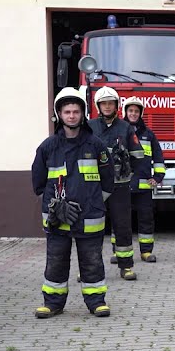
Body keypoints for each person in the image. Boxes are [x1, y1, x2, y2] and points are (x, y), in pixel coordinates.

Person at [31, 88, 114, 319]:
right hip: (57, 218)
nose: (71, 116)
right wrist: (52, 205)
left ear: (83, 114)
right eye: (67, 111)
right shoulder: (48, 147)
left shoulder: (96, 145)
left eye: (76, 111)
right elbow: (38, 183)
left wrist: (95, 204)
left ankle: (97, 302)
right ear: (59, 114)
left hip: (90, 216)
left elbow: (108, 183)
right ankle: (53, 304)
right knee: (56, 262)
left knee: (92, 261)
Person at [88, 86, 151, 280]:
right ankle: (89, 269)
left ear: (116, 105)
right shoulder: (89, 127)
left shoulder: (125, 127)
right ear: (98, 105)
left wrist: (132, 172)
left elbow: (138, 155)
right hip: (94, 187)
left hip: (120, 186)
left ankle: (126, 266)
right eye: (104, 103)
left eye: (111, 103)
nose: (107, 106)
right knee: (91, 230)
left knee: (122, 226)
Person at [121, 96, 166, 263]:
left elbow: (159, 157)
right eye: (130, 110)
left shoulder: (148, 135)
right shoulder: (119, 131)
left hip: (144, 186)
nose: (133, 114)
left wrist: (158, 176)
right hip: (122, 186)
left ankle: (146, 251)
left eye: (136, 111)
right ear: (125, 112)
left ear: (140, 113)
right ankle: (118, 251)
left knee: (146, 219)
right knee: (121, 220)